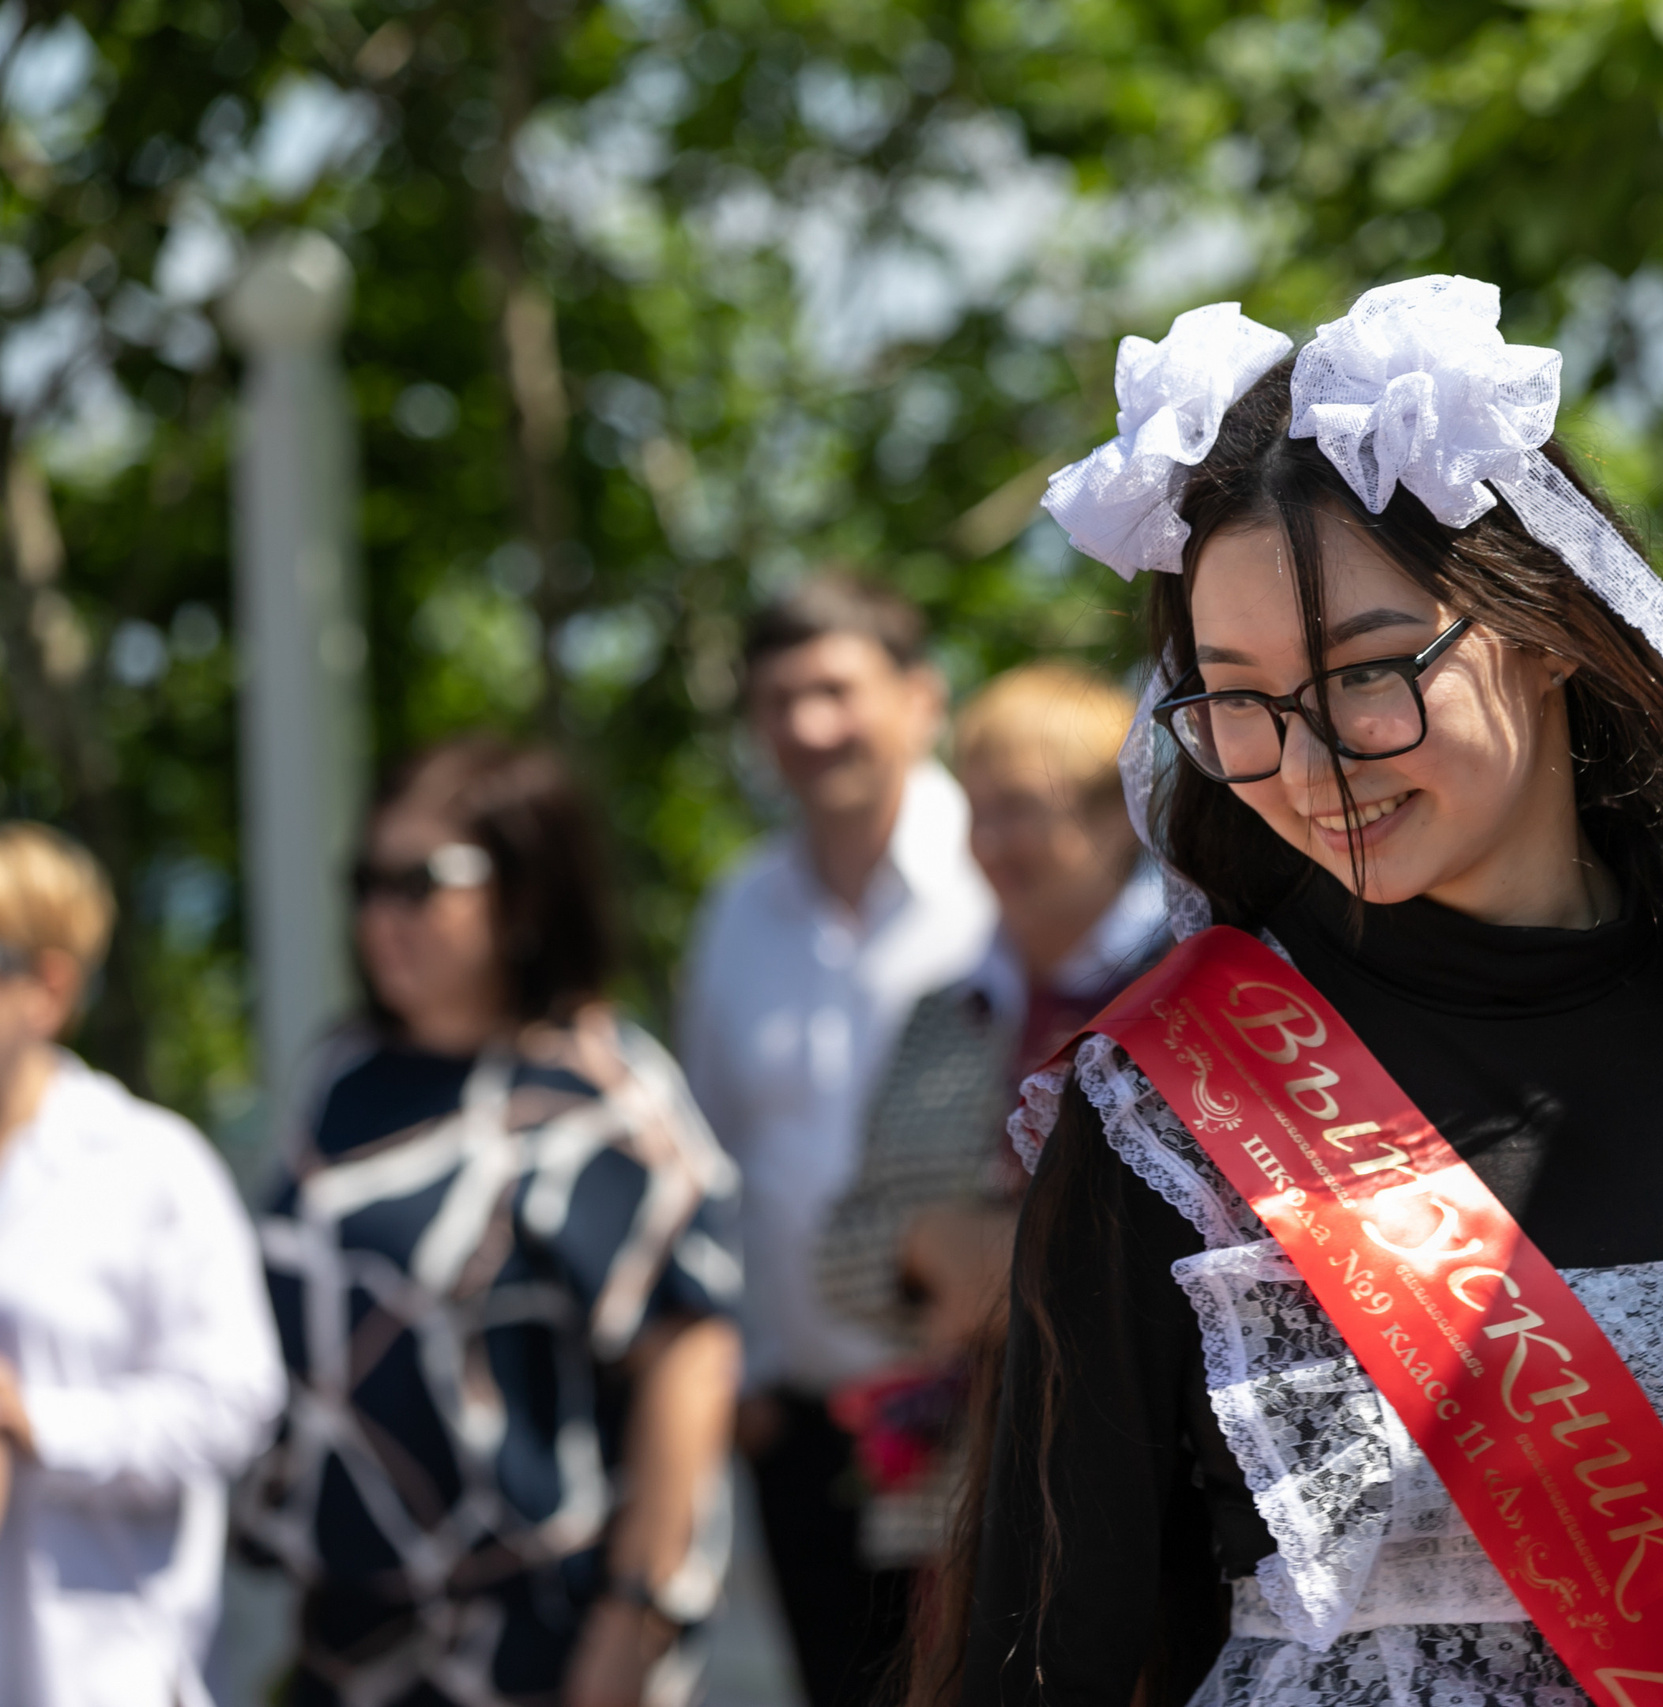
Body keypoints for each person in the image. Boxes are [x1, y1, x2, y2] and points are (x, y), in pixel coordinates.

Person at [919, 281, 1663, 1707]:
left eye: (1369, 674)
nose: (1308, 763)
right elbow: (1048, 1642)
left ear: (1552, 623)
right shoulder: (1170, 1098)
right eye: (1238, 700)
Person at [234, 738, 743, 1707]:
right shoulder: (341, 1075)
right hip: (348, 1641)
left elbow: (690, 1360)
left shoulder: (604, 1097)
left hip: (534, 1640)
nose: (384, 915)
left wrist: (635, 1618)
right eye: (367, 882)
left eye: (421, 882)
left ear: (524, 889)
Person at [680, 575, 996, 1706]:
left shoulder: (999, 873)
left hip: (990, 1414)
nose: (808, 727)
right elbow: (707, 1162)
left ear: (921, 698)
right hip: (805, 1429)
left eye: (834, 689)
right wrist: (746, 1379)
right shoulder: (735, 913)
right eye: (777, 700)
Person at [809, 662, 1167, 1581]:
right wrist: (925, 1245)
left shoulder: (1183, 1002)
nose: (992, 841)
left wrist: (1031, 1260)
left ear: (1114, 813)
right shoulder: (943, 1013)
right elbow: (837, 1248)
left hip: (1145, 1507)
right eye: (979, 809)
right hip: (950, 1519)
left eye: (1023, 808)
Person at [0, 822, 284, 1707]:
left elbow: (235, 1401)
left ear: (48, 985)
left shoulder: (148, 1165)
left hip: (100, 1674)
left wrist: (36, 1421)